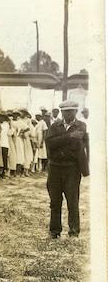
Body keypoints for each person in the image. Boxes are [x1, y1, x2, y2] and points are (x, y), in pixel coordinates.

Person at [44, 100, 89, 239]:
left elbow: (79, 146)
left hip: (72, 168)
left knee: (72, 201)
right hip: (55, 167)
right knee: (55, 201)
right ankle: (54, 231)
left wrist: (61, 144)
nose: (68, 114)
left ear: (76, 112)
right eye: (65, 111)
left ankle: (74, 232)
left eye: (71, 111)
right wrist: (69, 136)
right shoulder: (54, 125)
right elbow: (49, 142)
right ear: (62, 112)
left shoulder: (81, 126)